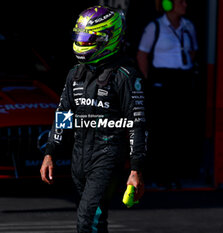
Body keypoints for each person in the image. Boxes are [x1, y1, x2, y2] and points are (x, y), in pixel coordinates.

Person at [40, 6, 147, 233]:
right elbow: (63, 115)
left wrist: (136, 170)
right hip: (78, 158)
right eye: (81, 38)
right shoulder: (74, 74)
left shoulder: (125, 76)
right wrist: (50, 152)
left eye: (89, 39)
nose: (83, 43)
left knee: (86, 220)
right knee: (96, 221)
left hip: (107, 157)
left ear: (107, 38)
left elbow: (138, 124)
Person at [136, 0, 198, 188]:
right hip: (161, 79)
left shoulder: (188, 26)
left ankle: (175, 174)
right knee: (161, 128)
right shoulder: (155, 26)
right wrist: (149, 78)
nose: (185, 4)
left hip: (182, 78)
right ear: (168, 4)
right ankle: (158, 175)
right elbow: (142, 54)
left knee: (178, 127)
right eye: (180, 1)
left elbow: (193, 50)